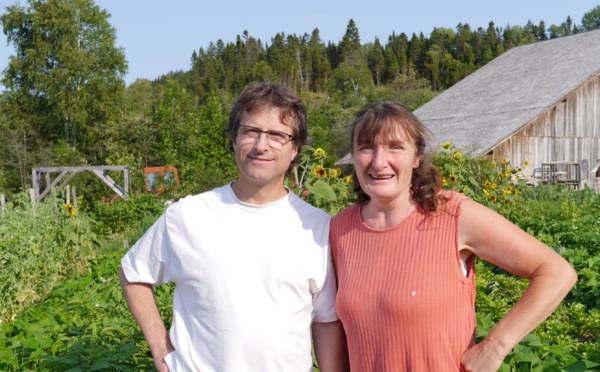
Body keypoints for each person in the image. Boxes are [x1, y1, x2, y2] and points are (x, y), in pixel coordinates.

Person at [329, 101, 577, 371]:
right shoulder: (341, 228)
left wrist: (495, 346)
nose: (379, 162)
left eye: (395, 147)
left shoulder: (452, 216)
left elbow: (556, 272)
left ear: (416, 158)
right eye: (366, 147)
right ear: (353, 156)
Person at [119, 82, 347, 372]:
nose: (261, 145)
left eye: (277, 135)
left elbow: (325, 320)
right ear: (235, 139)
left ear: (295, 150)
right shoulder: (187, 215)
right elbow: (133, 273)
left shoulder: (317, 226)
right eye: (251, 131)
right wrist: (160, 348)